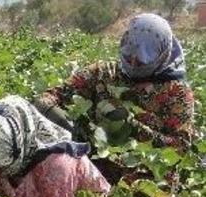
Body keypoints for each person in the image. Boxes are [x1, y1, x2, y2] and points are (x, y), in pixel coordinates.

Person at [36, 13, 194, 157]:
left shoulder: (177, 94)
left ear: (162, 54)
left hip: (142, 176)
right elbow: (49, 98)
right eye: (129, 54)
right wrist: (68, 126)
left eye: (142, 59)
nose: (132, 62)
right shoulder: (102, 73)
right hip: (93, 161)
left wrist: (133, 127)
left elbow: (180, 147)